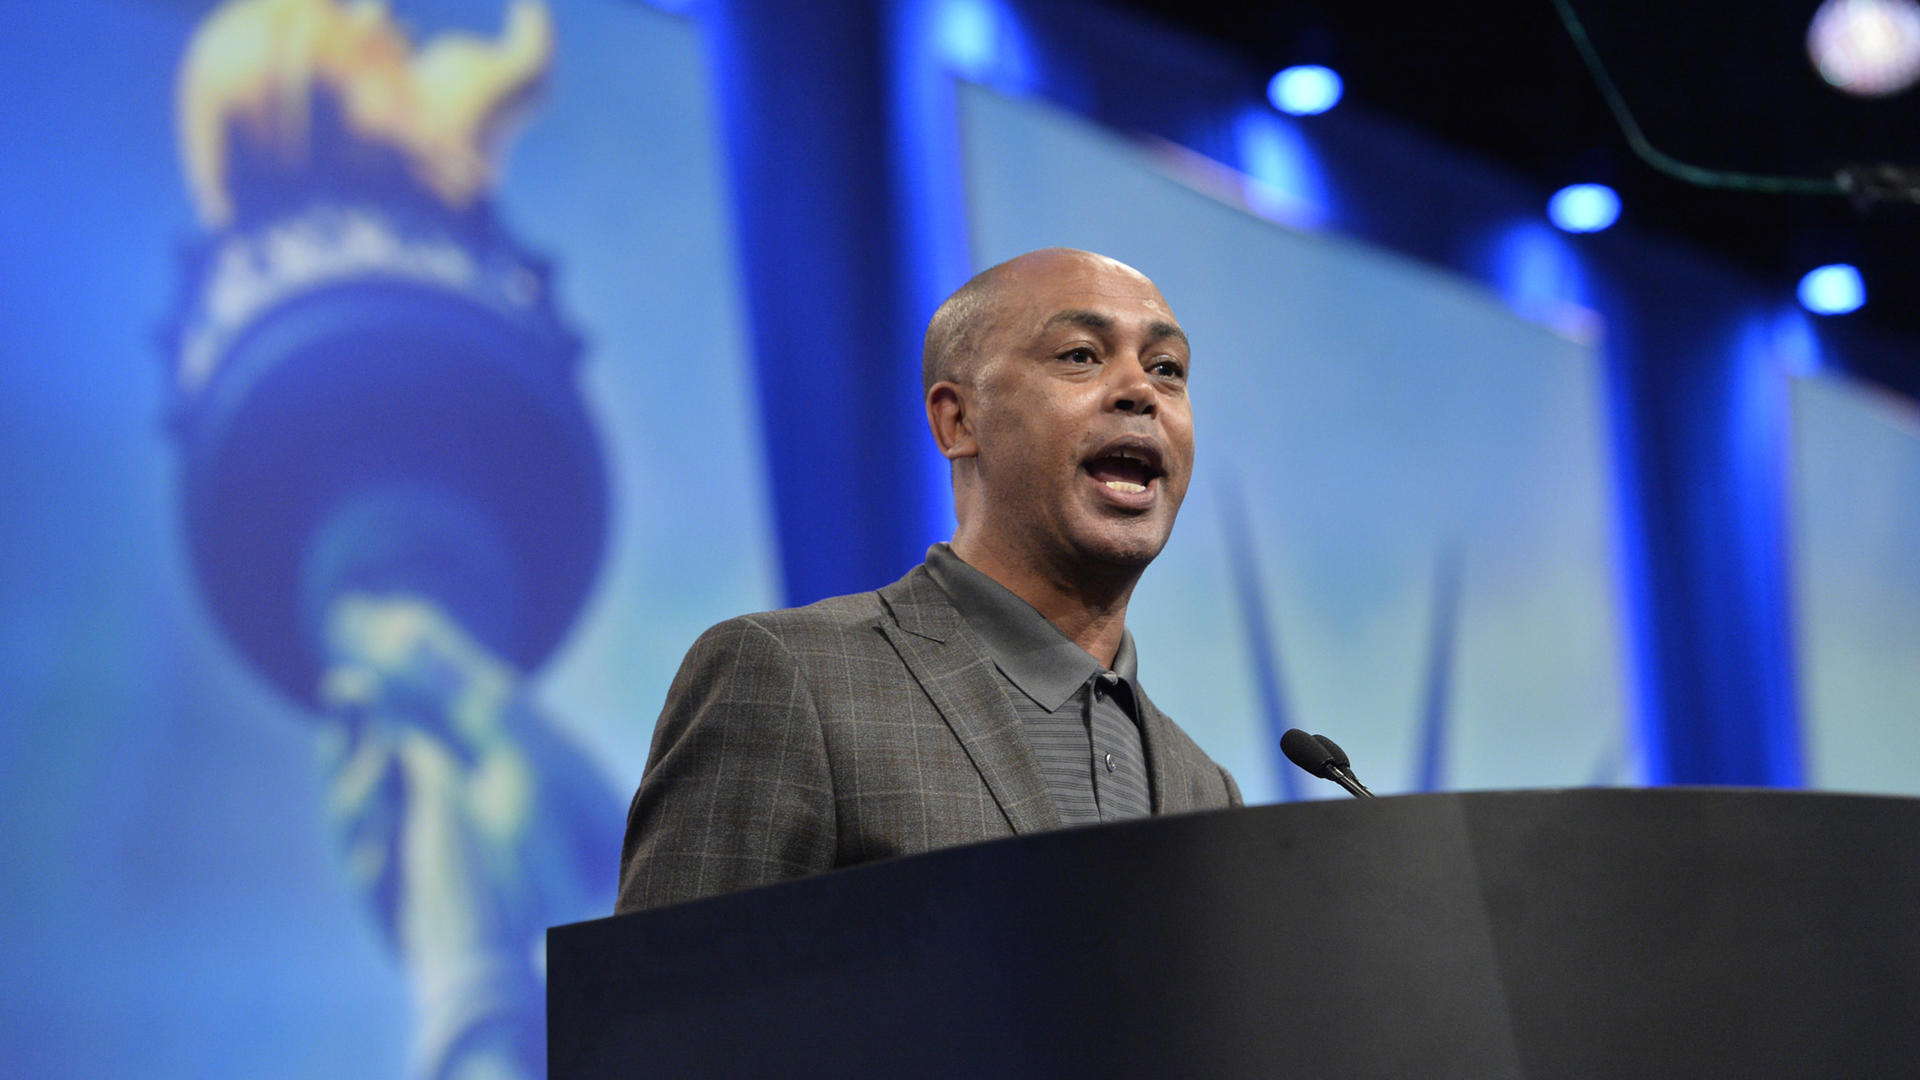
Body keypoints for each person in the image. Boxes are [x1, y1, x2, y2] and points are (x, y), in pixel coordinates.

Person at [616, 248, 1240, 914]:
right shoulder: (787, 678)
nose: (1140, 391)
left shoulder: (1205, 789)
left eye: (1167, 369)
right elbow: (666, 1012)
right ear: (957, 420)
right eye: (1080, 355)